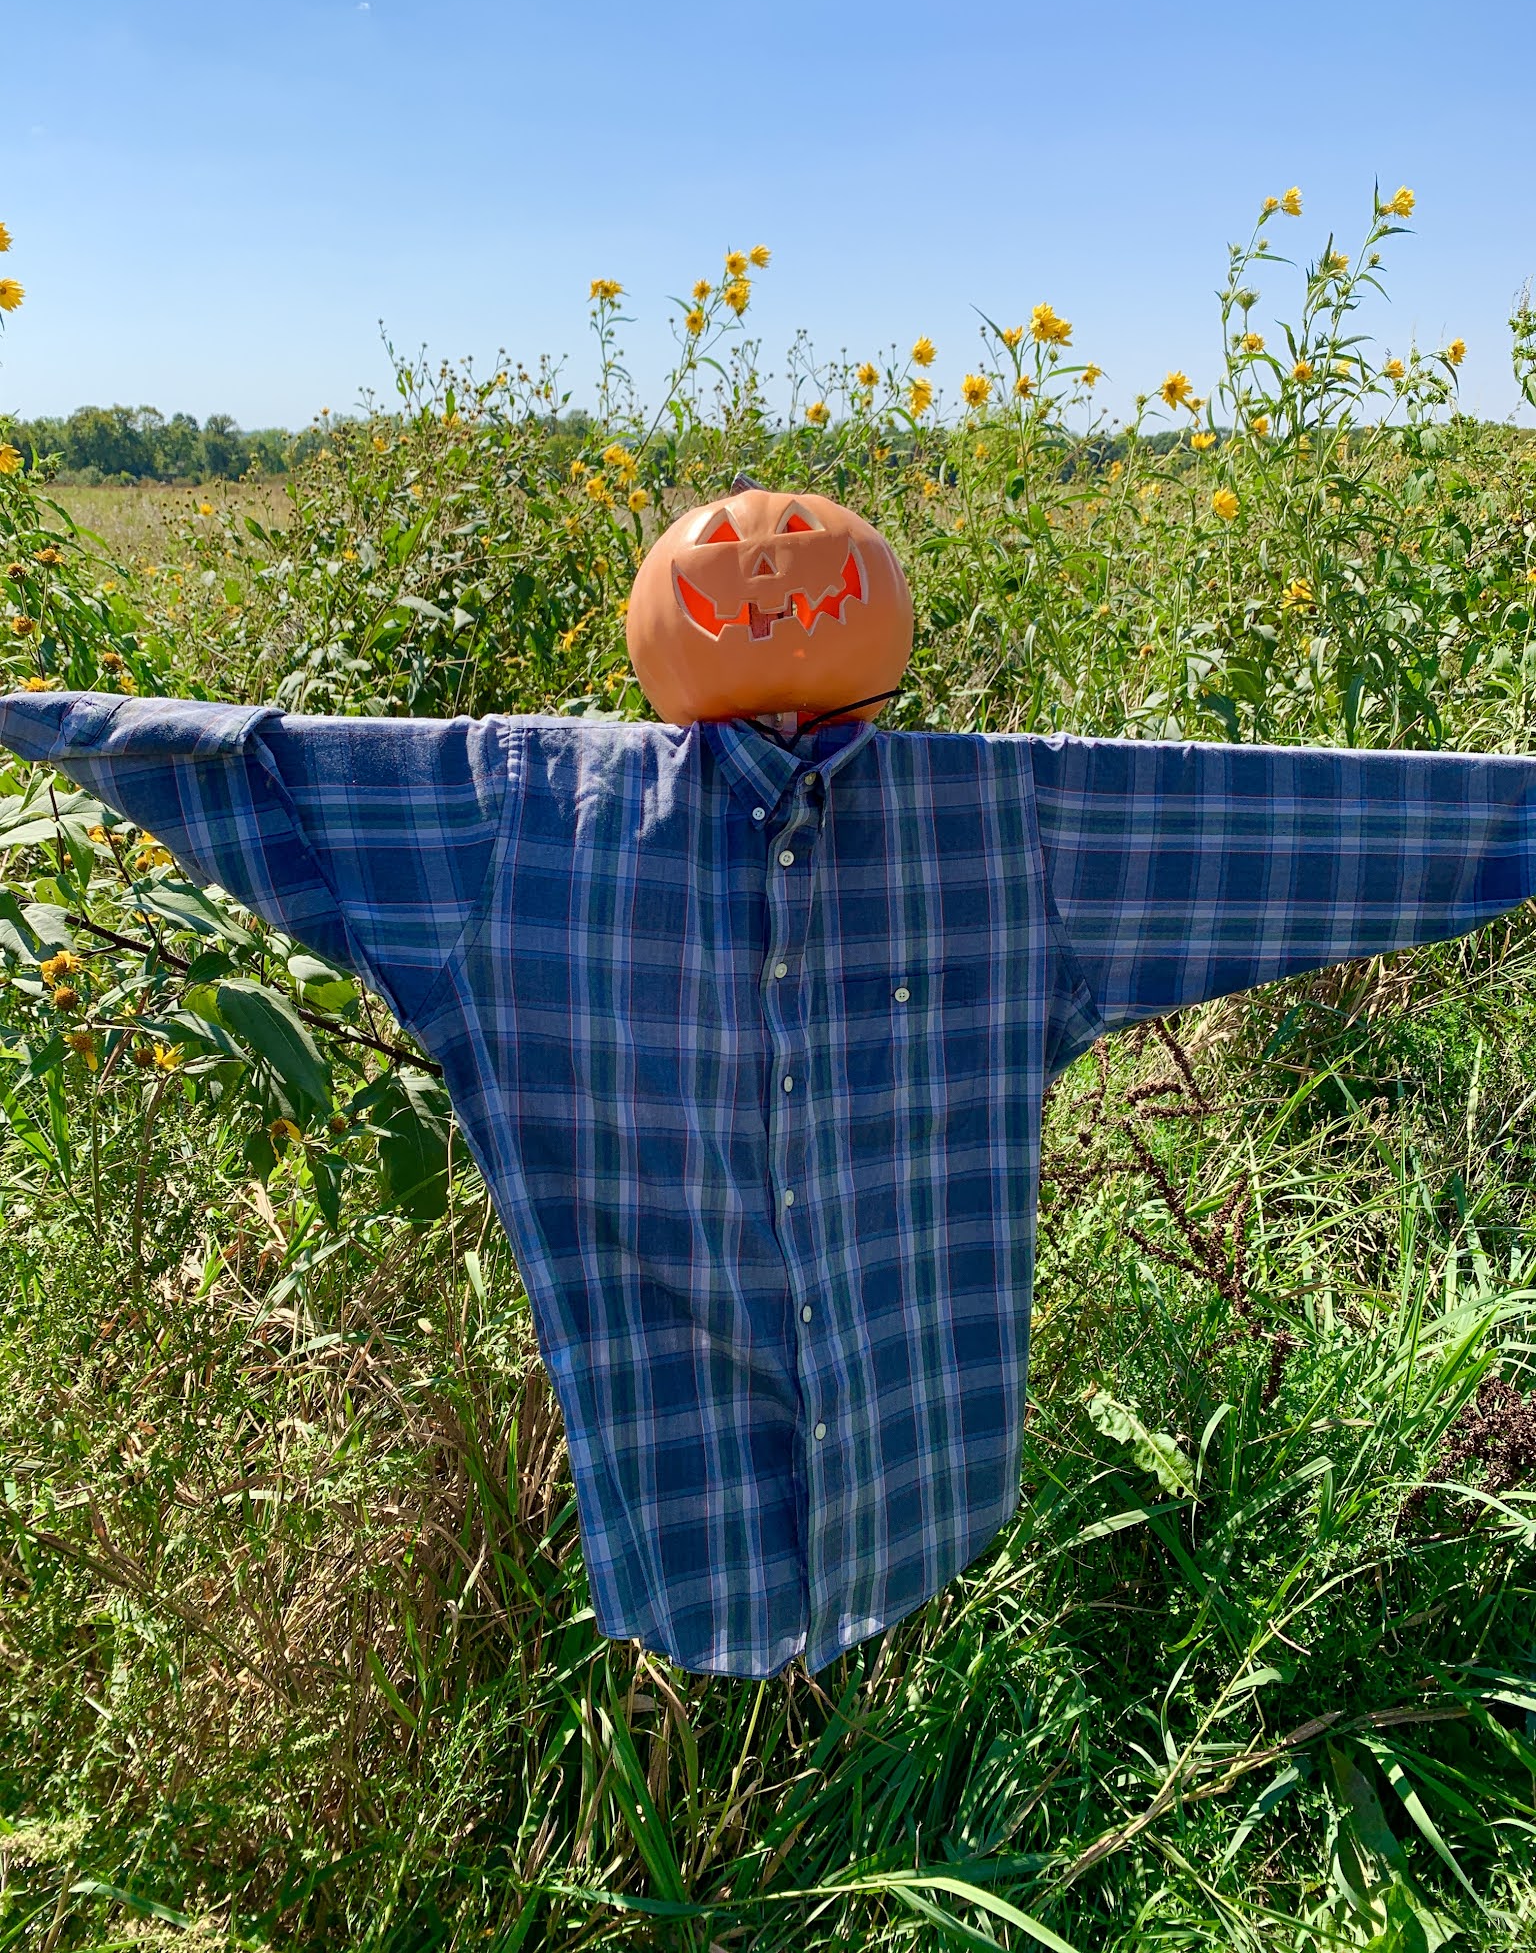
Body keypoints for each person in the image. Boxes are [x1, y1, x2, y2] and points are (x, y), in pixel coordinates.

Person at [3, 484, 1534, 1680]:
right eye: (735, 557)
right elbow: (272, 771)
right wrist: (49, 725)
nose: (767, 563)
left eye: (798, 549)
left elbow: (1286, 823)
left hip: (922, 1460)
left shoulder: (1011, 830)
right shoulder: (513, 825)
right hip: (675, 1495)